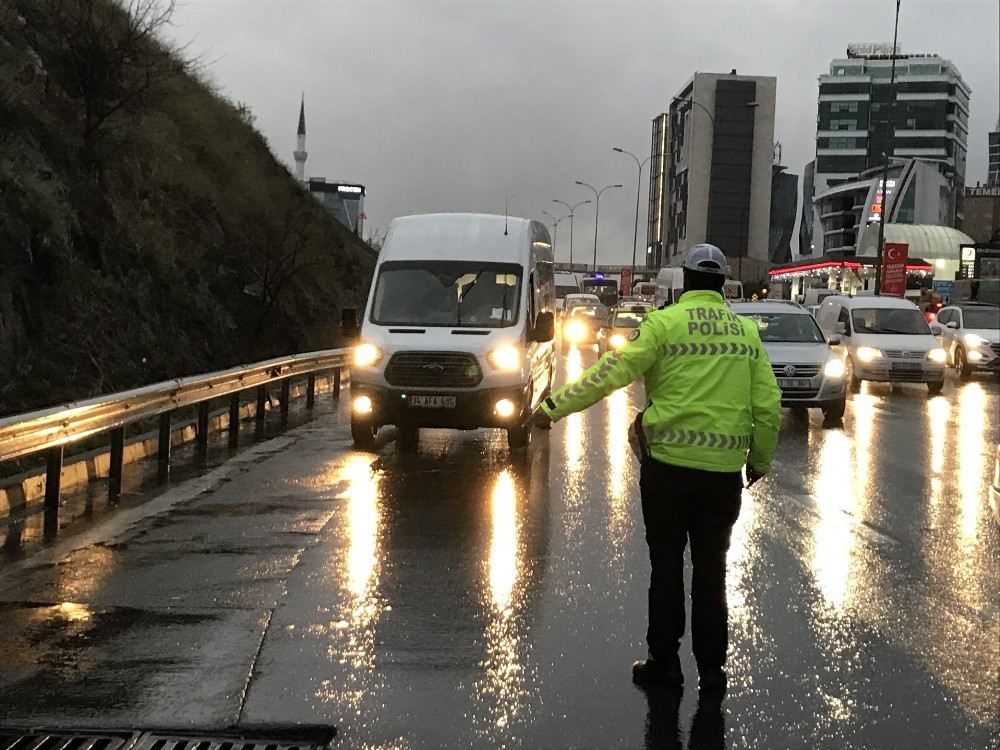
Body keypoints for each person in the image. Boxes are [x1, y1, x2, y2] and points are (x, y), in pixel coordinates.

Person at [536, 244, 781, 693]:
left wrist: (552, 407)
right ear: (722, 285)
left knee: (665, 567)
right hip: (721, 478)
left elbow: (610, 373)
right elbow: (767, 405)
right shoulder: (745, 334)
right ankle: (713, 671)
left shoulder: (663, 325)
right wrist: (758, 461)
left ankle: (663, 664)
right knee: (712, 571)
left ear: (685, 282)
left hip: (667, 473)